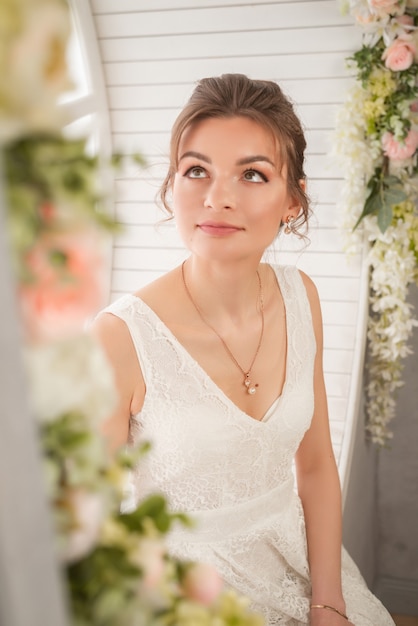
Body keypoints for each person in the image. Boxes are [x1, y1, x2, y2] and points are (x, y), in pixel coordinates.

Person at [92, 74, 395, 626]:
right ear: (171, 186)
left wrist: (327, 602)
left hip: (301, 565)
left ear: (292, 201)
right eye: (196, 170)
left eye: (252, 174)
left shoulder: (300, 296)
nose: (217, 198)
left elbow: (317, 466)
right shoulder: (119, 338)